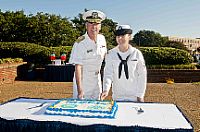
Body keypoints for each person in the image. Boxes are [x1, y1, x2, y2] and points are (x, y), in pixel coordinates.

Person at [101, 25, 147, 102]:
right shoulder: (111, 54)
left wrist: (140, 94)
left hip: (134, 96)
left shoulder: (136, 53)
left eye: (122, 35)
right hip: (117, 97)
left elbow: (142, 75)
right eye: (118, 36)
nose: (119, 38)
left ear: (129, 36)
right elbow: (108, 74)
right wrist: (106, 90)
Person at [69, 10, 107, 100]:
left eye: (97, 23)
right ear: (86, 25)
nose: (94, 27)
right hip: (84, 83)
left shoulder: (102, 39)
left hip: (97, 82)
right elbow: (78, 67)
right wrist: (80, 90)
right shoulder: (80, 43)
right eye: (91, 23)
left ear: (100, 26)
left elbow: (105, 56)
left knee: (97, 108)